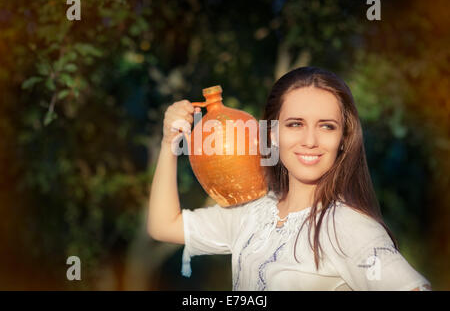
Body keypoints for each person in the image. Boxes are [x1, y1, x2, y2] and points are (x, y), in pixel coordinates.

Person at [147, 66, 432, 291]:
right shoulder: (252, 214)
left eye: (327, 126)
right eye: (295, 124)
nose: (310, 140)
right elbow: (163, 225)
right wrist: (168, 143)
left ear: (343, 139)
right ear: (271, 133)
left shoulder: (349, 227)